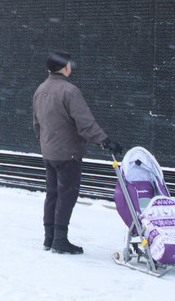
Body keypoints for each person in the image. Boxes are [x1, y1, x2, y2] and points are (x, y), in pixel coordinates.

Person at [32, 51, 123, 255]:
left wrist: (46, 144)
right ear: (65, 67)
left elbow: (36, 123)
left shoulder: (40, 89)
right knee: (66, 195)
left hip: (49, 152)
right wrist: (105, 141)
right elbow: (85, 123)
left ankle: (49, 237)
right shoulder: (69, 91)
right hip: (68, 153)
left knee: (52, 194)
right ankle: (60, 240)